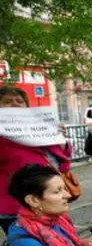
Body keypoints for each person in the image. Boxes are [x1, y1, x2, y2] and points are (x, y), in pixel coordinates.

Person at [0, 87, 72, 234]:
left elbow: (62, 158)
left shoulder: (39, 127)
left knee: (59, 244)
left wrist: (61, 140)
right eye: (7, 102)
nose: (15, 104)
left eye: (19, 102)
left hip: (50, 202)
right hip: (17, 207)